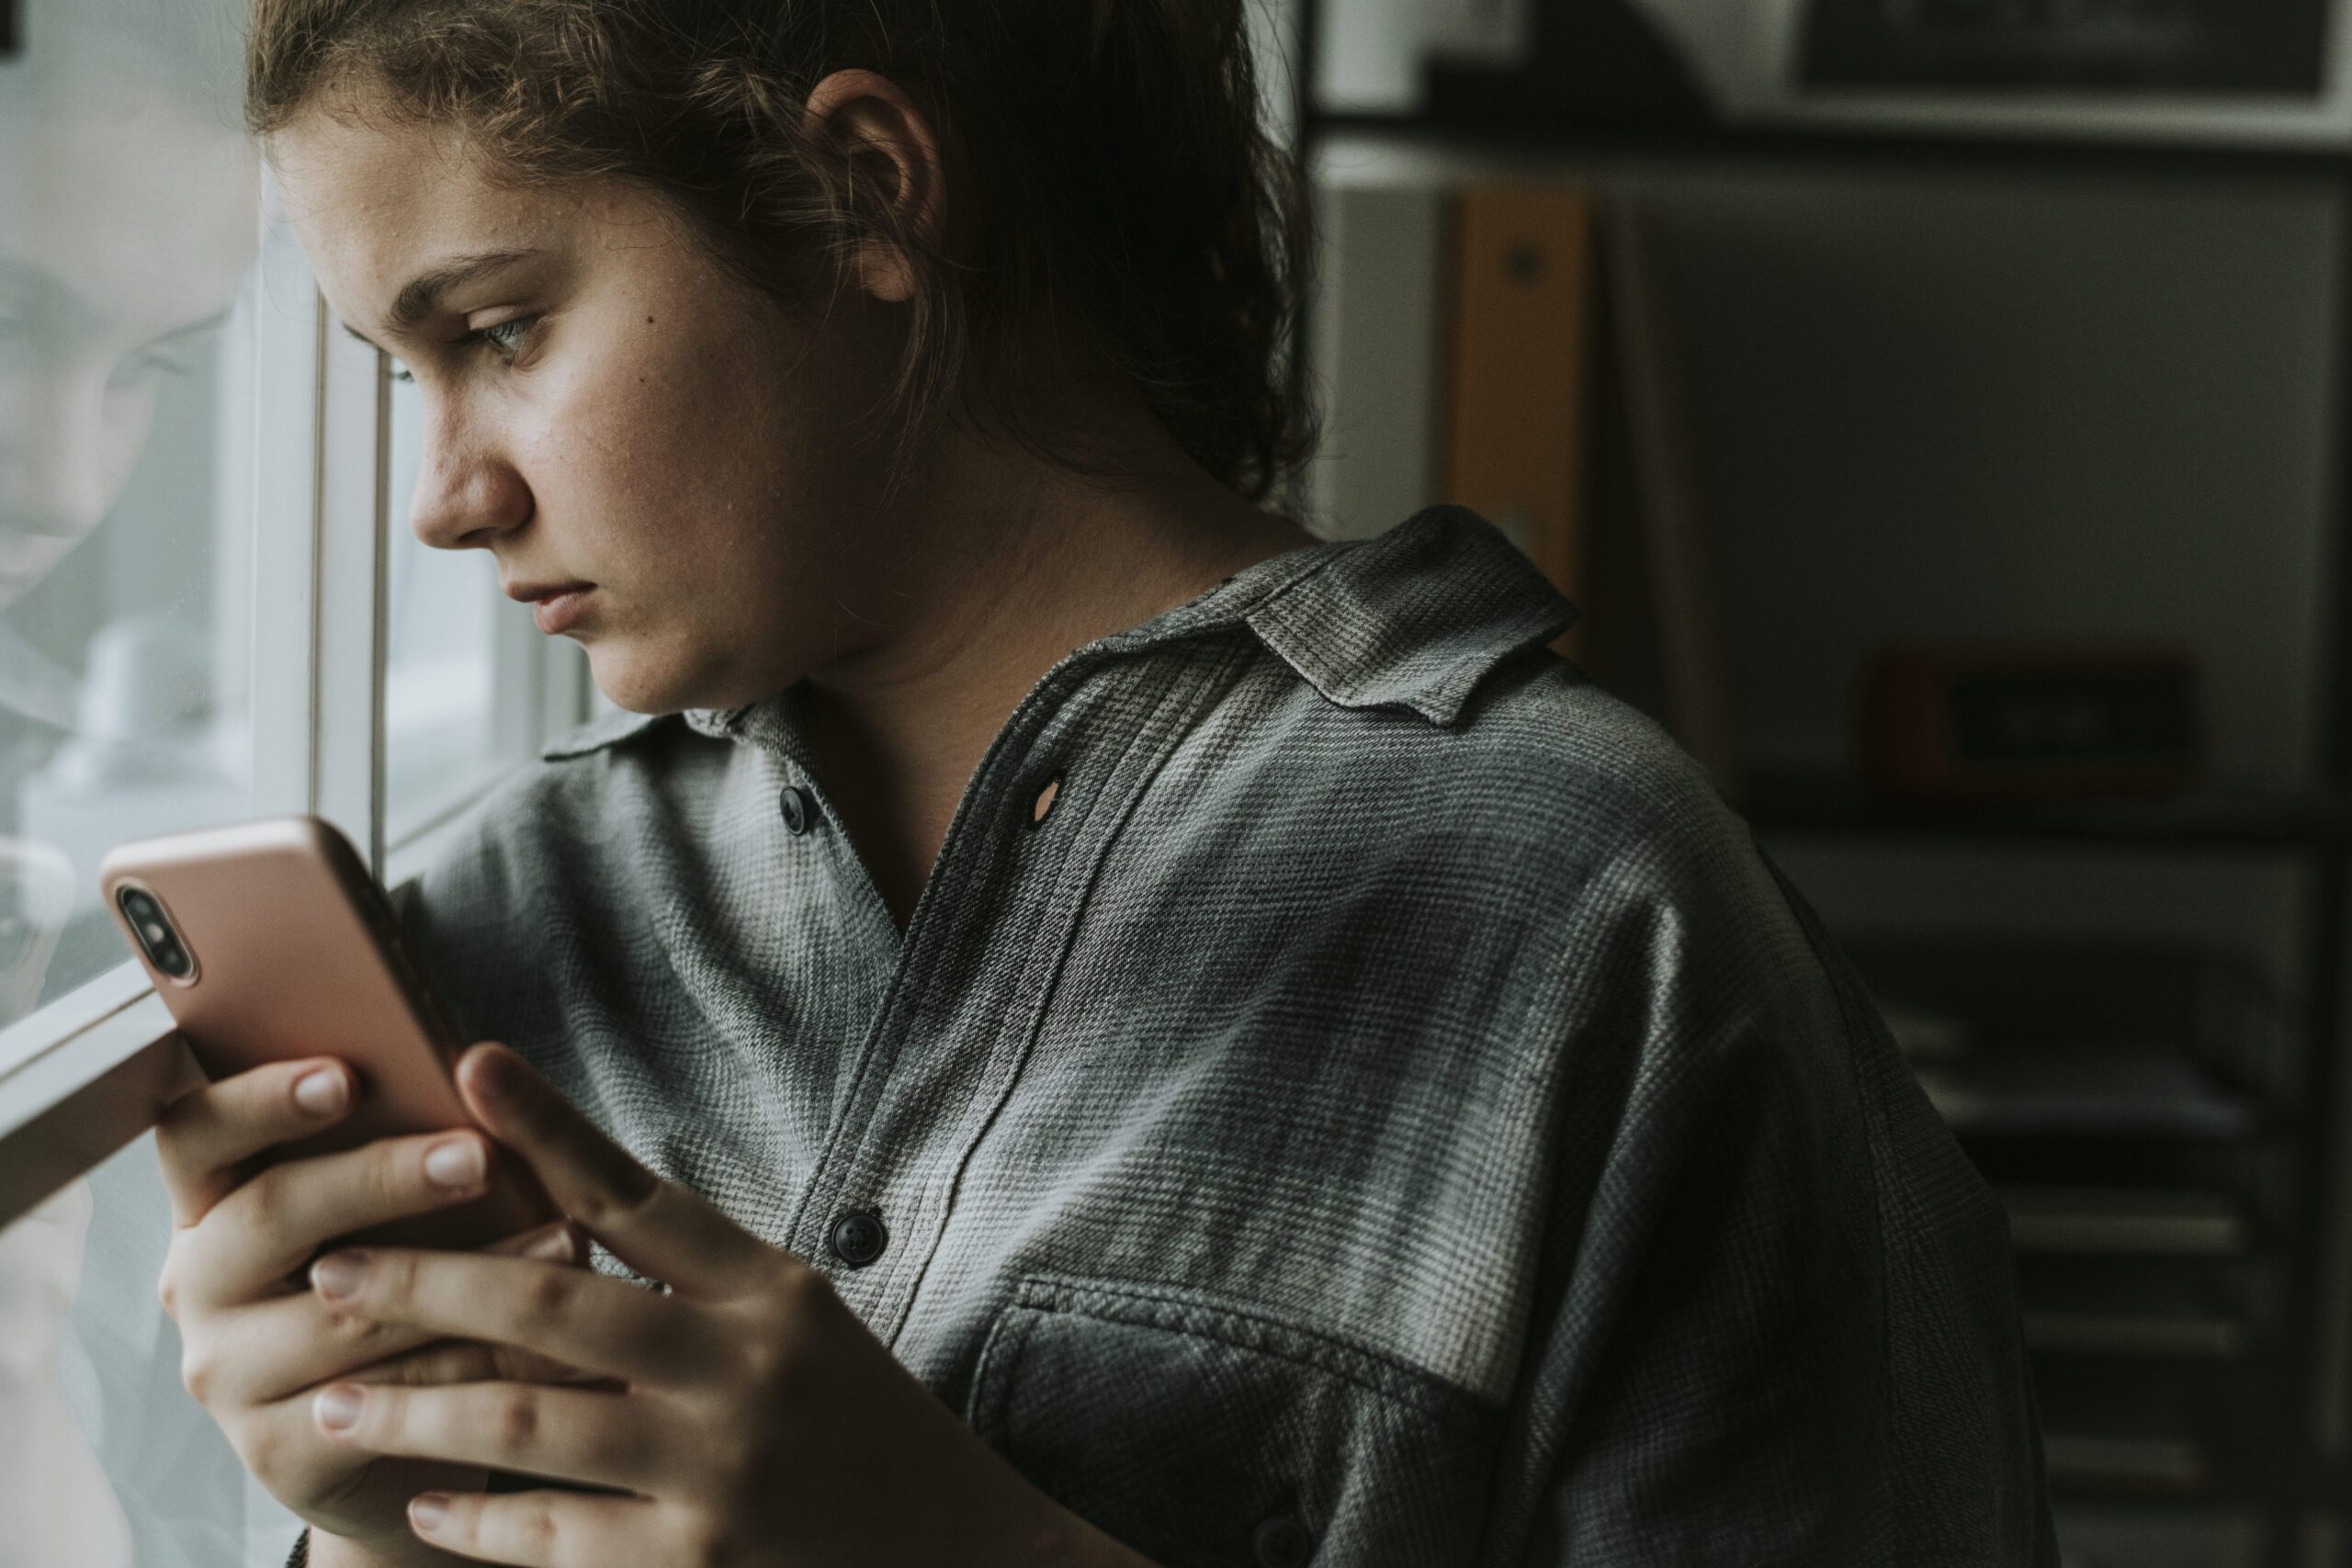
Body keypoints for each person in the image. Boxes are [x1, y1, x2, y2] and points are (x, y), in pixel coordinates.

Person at [155, 2, 2059, 1564]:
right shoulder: (504, 919)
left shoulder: (1593, 916)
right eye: (397, 369)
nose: (441, 494)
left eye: (496, 330)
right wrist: (394, 1512)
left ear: (858, 194)